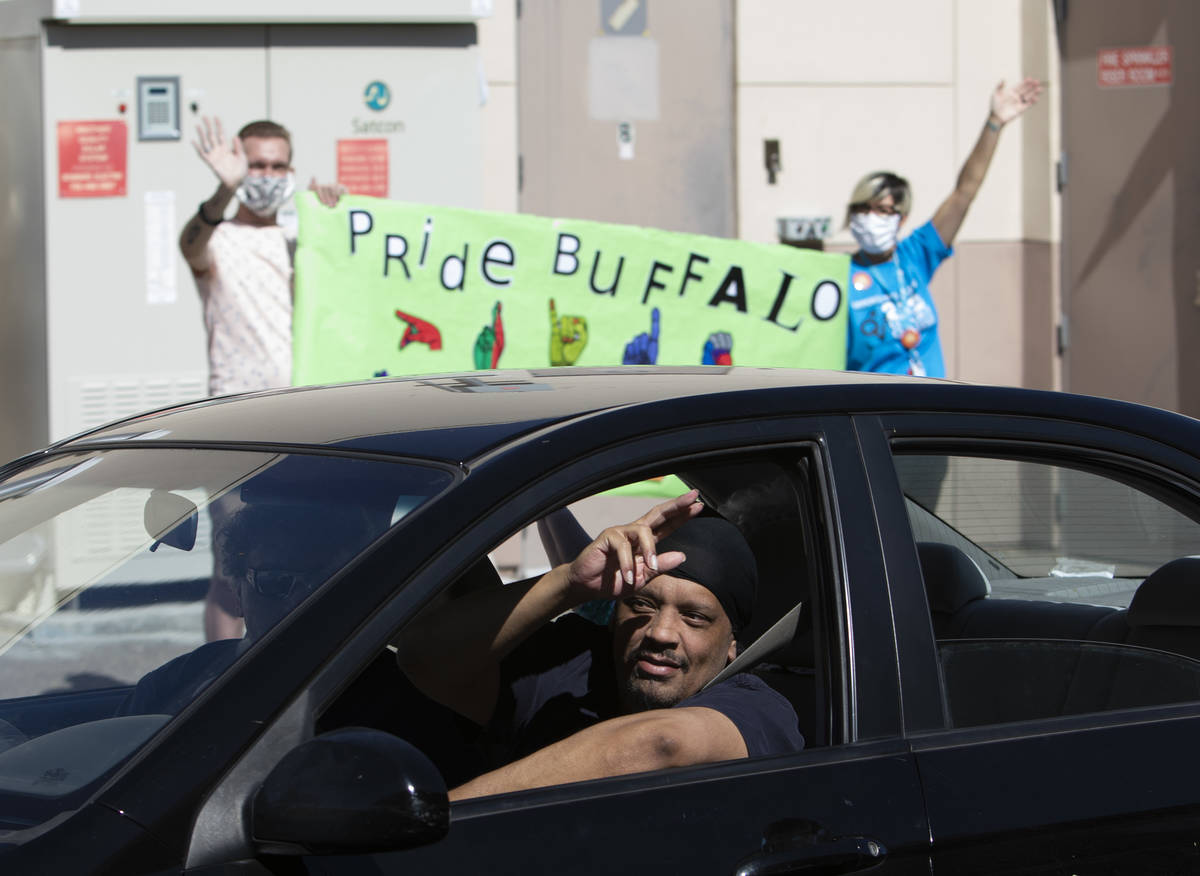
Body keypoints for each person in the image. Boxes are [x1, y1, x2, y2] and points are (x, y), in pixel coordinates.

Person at [397, 491, 803, 801]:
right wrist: (569, 584)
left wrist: (444, 818)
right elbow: (422, 658)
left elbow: (659, 744)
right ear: (613, 614)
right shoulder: (577, 664)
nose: (661, 632)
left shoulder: (756, 708)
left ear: (732, 645)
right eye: (642, 604)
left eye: (694, 617)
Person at [178, 116, 345, 641]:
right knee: (233, 578)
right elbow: (191, 245)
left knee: (315, 565)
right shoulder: (218, 238)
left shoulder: (306, 241)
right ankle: (221, 693)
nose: (266, 174)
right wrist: (220, 193)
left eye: (277, 164)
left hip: (306, 429)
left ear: (291, 169)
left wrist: (335, 217)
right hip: (235, 428)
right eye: (255, 164)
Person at [845, 77, 1043, 377]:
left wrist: (995, 124)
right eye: (865, 209)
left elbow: (964, 194)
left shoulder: (914, 255)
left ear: (902, 218)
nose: (873, 218)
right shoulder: (838, 277)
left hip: (930, 408)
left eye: (884, 210)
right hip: (878, 415)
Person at [118, 502, 364, 717]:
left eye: (322, 581)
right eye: (274, 580)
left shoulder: (382, 691)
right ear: (236, 592)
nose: (300, 598)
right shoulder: (169, 686)